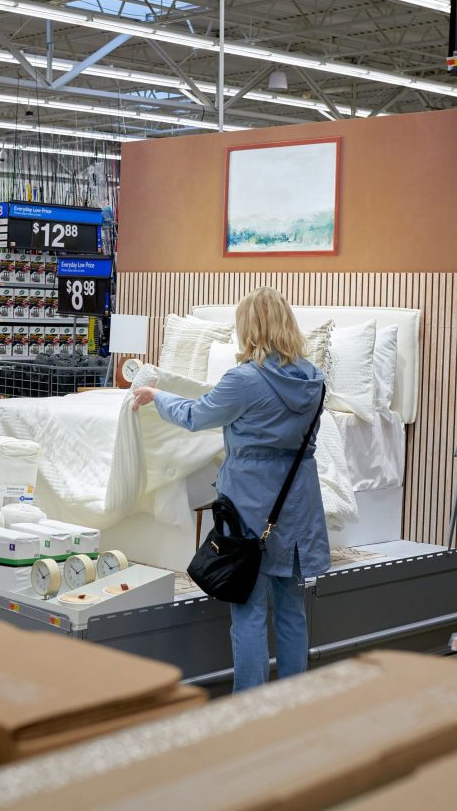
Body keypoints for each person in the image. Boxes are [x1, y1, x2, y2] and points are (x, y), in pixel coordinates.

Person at [133, 287, 327, 692]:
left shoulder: (244, 380)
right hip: (298, 501)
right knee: (292, 608)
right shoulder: (314, 380)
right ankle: (295, 700)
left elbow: (195, 416)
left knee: (249, 608)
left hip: (251, 504)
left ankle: (249, 704)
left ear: (248, 328)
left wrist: (156, 395)